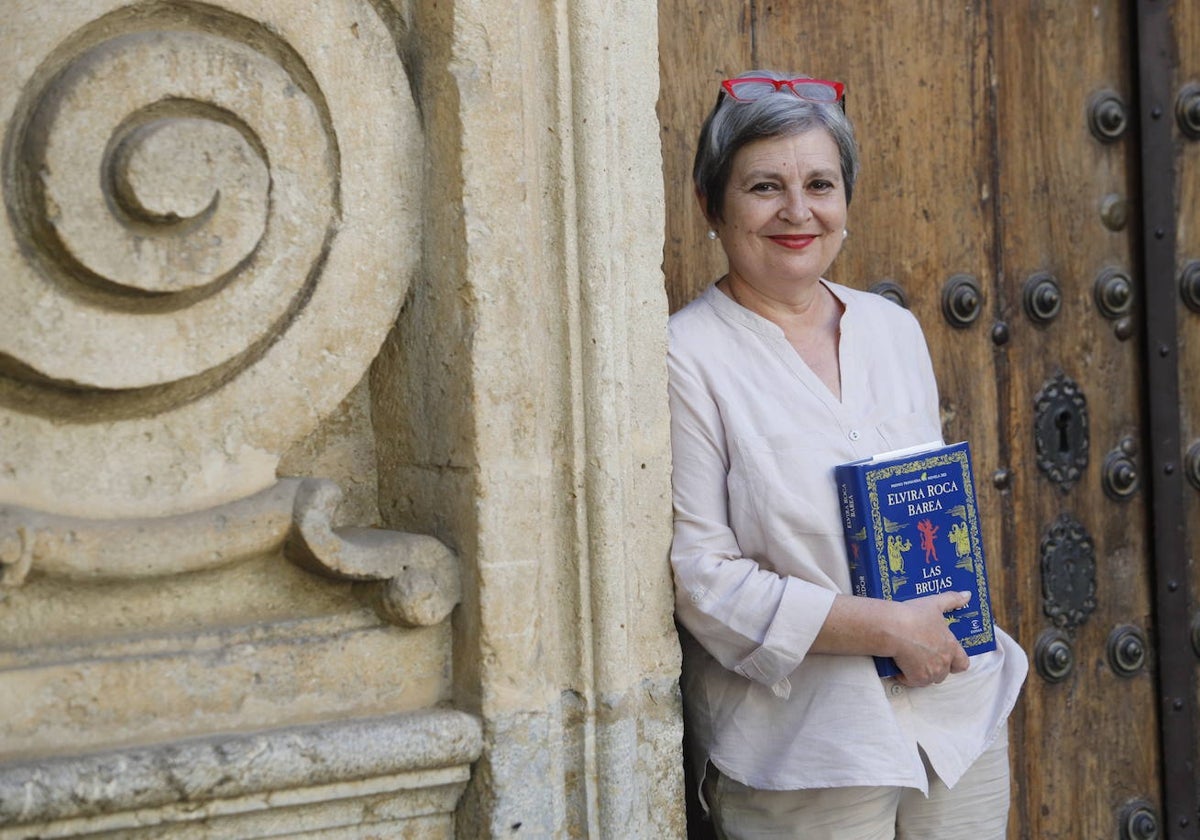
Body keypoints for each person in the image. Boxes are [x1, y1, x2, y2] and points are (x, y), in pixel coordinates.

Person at [668, 70, 1028, 840]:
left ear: (846, 203)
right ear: (711, 204)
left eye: (820, 184)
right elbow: (703, 579)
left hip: (956, 717)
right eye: (764, 185)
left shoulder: (890, 328)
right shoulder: (685, 356)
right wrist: (884, 629)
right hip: (810, 745)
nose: (798, 211)